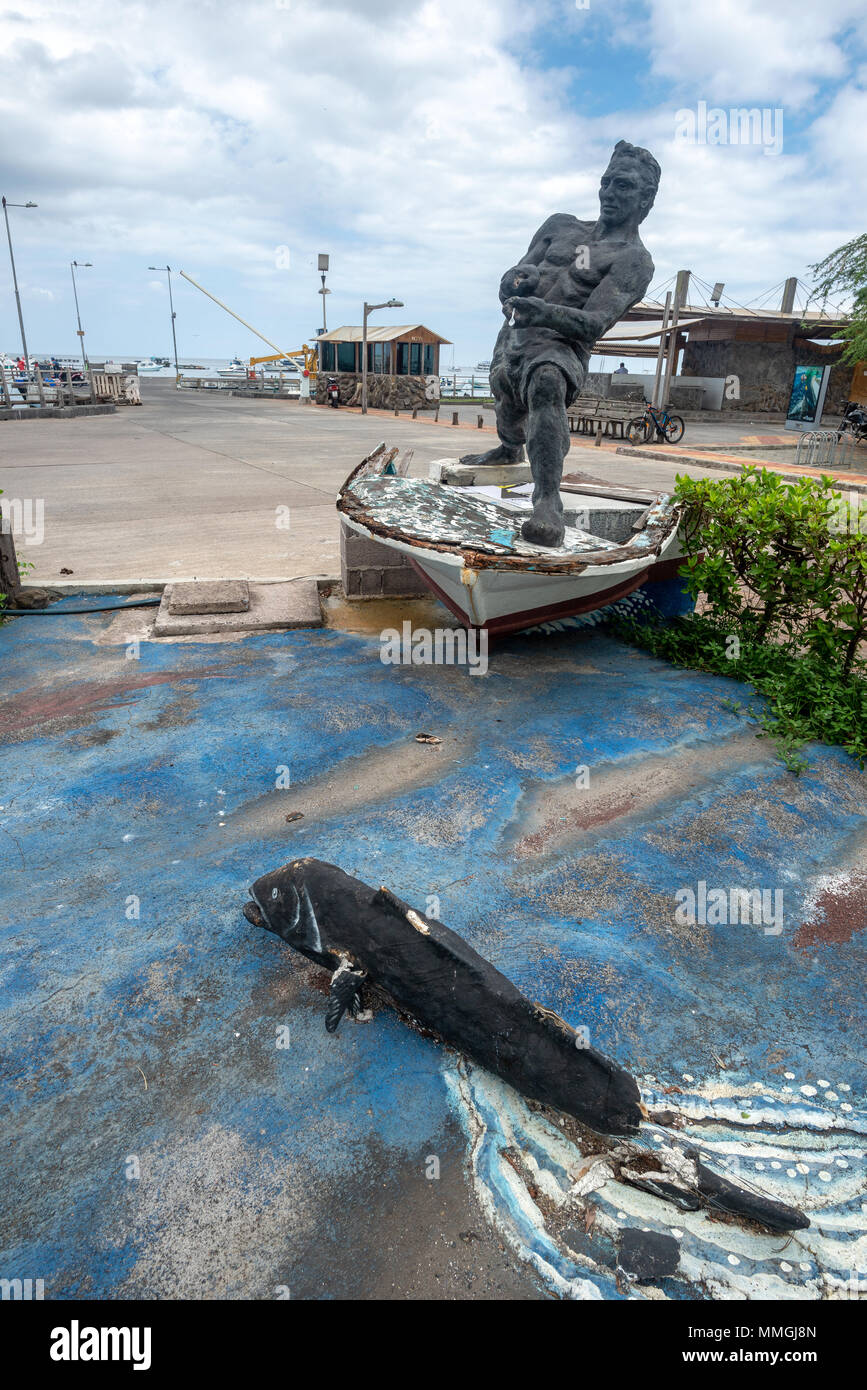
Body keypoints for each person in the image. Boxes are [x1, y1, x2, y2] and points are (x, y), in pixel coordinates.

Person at [461, 140, 660, 546]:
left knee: (545, 382)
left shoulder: (632, 259)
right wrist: (513, 280)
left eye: (623, 186)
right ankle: (508, 448)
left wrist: (542, 313)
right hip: (515, 337)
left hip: (561, 346)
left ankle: (548, 501)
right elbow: (522, 269)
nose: (609, 193)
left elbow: (594, 323)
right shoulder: (560, 226)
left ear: (646, 199)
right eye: (606, 182)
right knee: (504, 393)